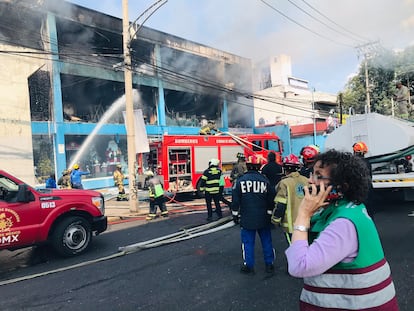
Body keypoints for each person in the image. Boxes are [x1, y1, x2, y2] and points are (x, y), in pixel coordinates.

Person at [285, 149, 399, 310]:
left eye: (318, 176)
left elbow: (299, 266)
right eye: (311, 174)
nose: (310, 181)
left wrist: (303, 214)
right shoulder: (352, 208)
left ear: (340, 186)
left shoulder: (343, 223)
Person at [231, 155, 275, 275]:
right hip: (263, 217)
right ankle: (269, 264)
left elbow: (235, 200)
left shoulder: (240, 181)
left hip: (247, 218)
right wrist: (269, 213)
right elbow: (271, 199)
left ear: (247, 165)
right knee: (267, 241)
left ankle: (249, 266)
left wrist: (235, 215)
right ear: (259, 166)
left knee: (248, 243)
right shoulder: (265, 181)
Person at [272, 154, 308, 245]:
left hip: (291, 226)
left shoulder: (284, 183)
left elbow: (280, 204)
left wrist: (275, 220)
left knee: (294, 252)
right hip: (306, 224)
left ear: (285, 168)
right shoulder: (306, 181)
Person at [353, 141, 375, 219]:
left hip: (357, 189)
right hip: (368, 187)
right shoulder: (367, 162)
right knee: (369, 209)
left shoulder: (352, 163)